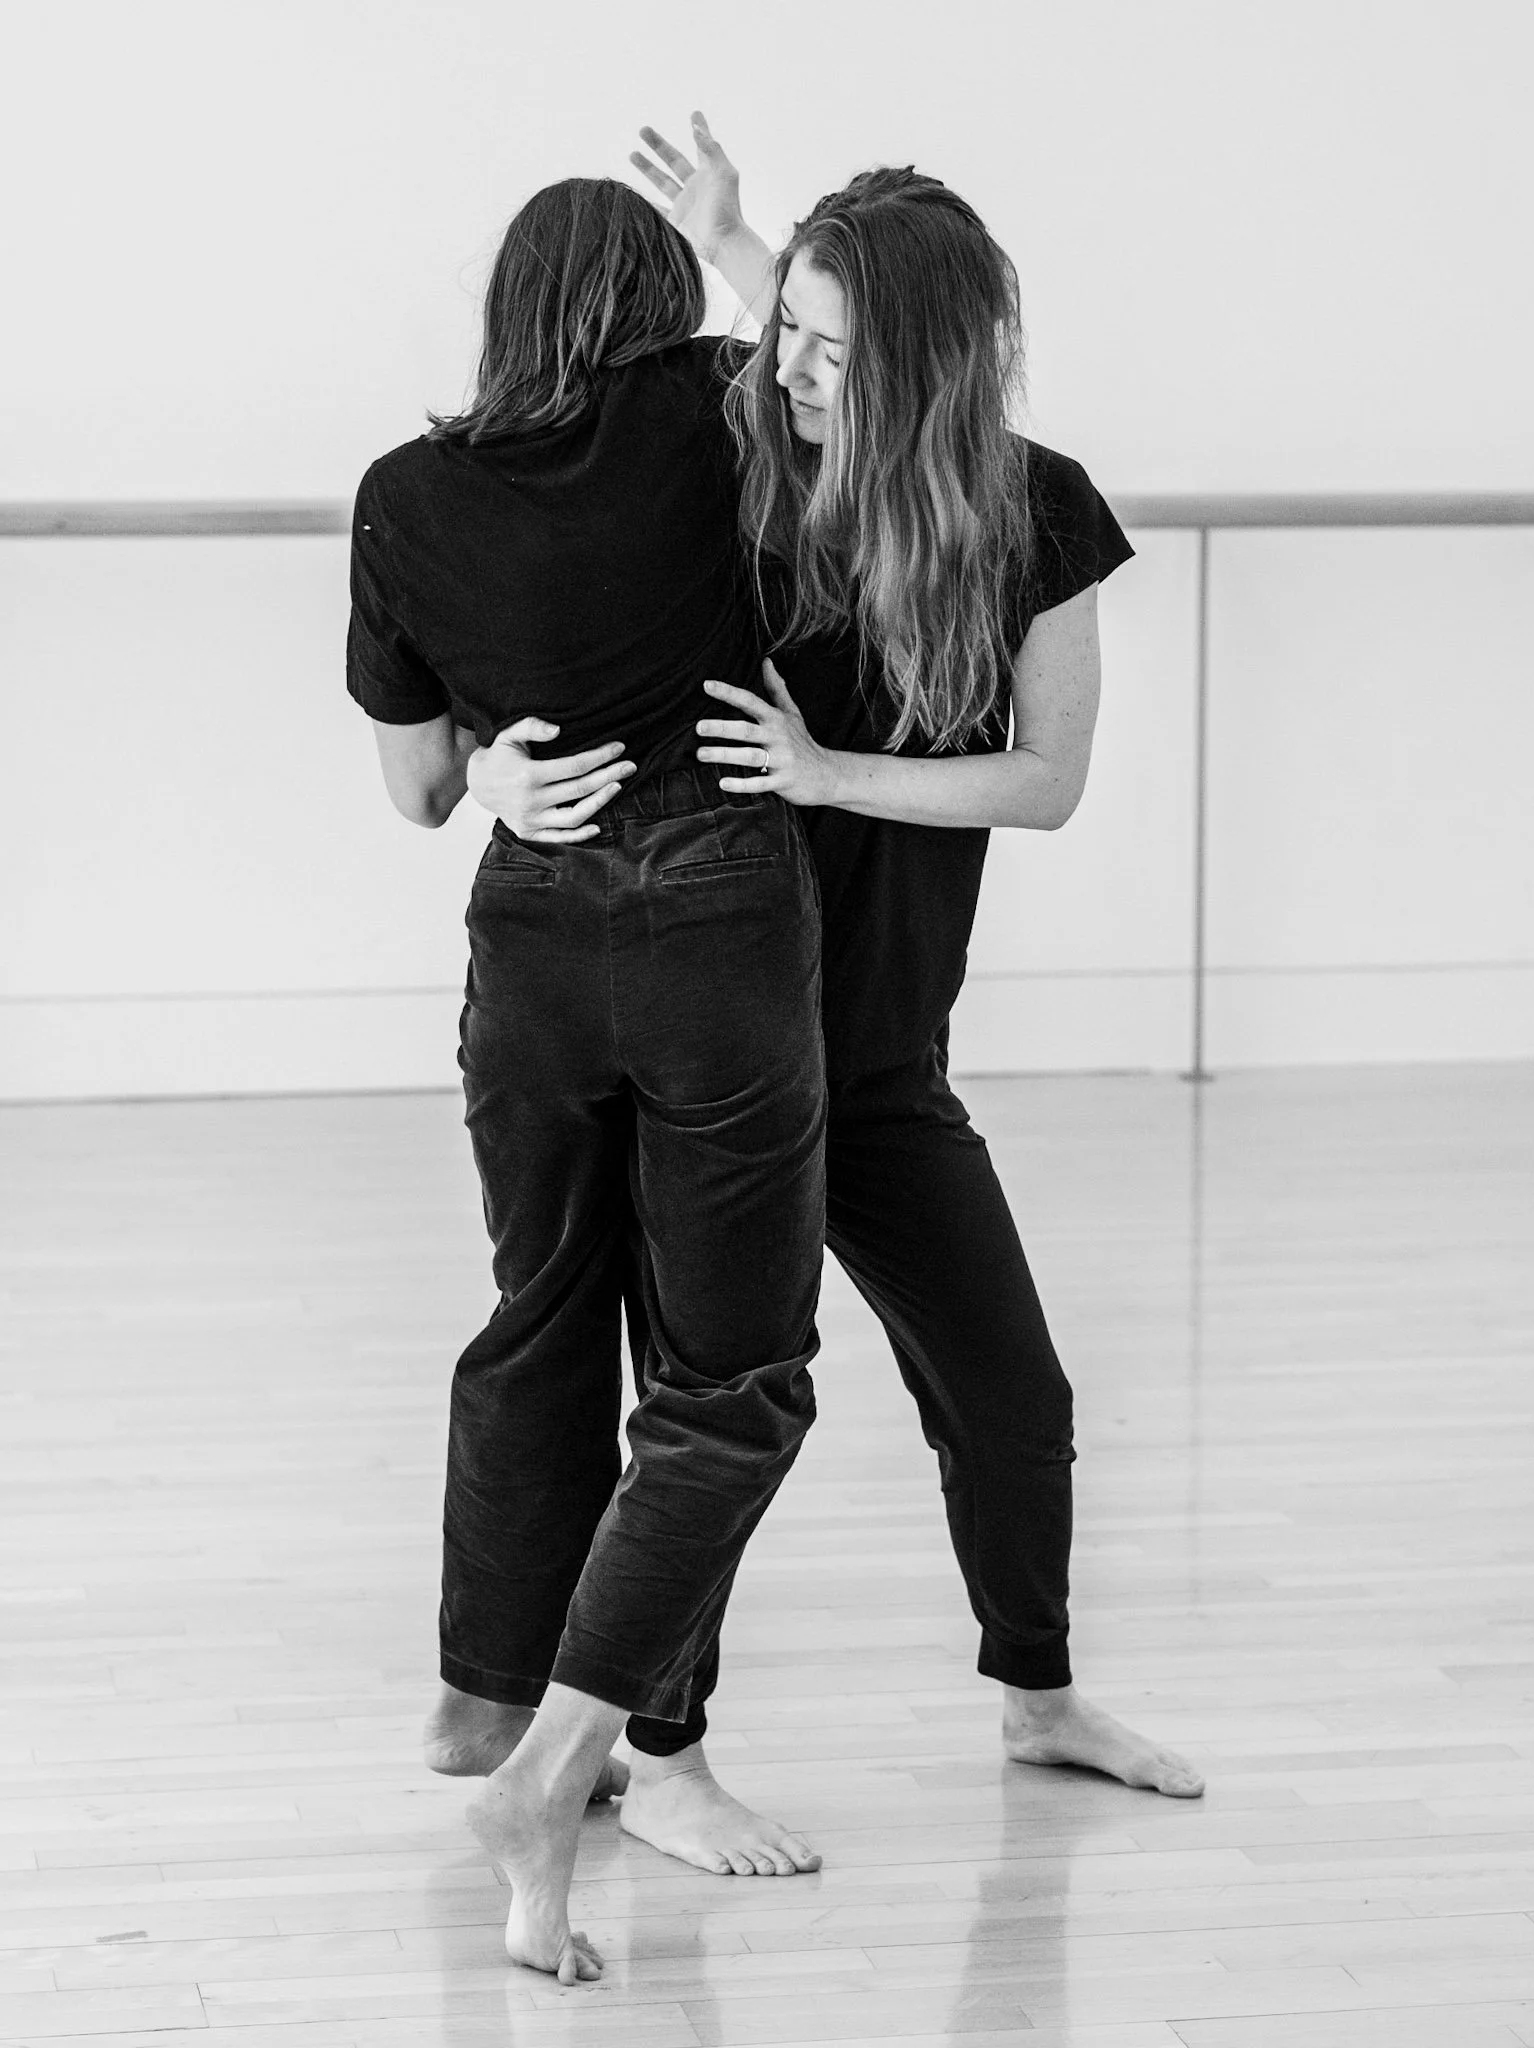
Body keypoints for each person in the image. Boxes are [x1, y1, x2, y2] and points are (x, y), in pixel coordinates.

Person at [440, 116, 1204, 1887]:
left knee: (1011, 1390)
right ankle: (662, 1756)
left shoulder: (1036, 514)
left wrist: (825, 771)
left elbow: (1046, 781)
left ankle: (1039, 1695)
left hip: (879, 1054)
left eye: (829, 349)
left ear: (925, 370)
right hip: (713, 1040)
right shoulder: (727, 474)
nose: (785, 365)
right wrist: (484, 769)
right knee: (704, 1403)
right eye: (781, 325)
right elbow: (512, 591)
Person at [347, 176, 828, 1983]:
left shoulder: (407, 492)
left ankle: (493, 1700)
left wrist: (495, 769)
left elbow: (418, 790)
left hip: (534, 919)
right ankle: (577, 1763)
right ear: (658, 296)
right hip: (716, 908)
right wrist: (742, 238)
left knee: (542, 1310)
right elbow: (856, 373)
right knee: (728, 1378)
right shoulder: (721, 410)